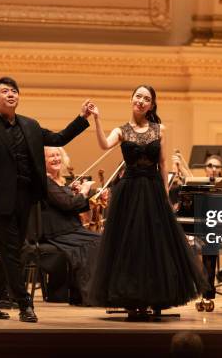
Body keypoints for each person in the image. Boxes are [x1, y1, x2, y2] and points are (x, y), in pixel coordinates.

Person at [0, 76, 92, 323]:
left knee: (12, 251)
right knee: (13, 252)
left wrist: (82, 119)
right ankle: (24, 303)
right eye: (5, 91)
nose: (11, 94)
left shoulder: (30, 125)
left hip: (26, 199)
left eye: (14, 91)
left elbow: (58, 139)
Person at [87, 84, 207, 317]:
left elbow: (162, 164)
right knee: (130, 245)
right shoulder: (121, 131)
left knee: (156, 246)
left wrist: (164, 193)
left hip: (152, 191)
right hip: (129, 191)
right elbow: (103, 144)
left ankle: (156, 296)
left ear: (151, 105)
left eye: (146, 99)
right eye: (138, 96)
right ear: (131, 99)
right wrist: (97, 120)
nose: (141, 101)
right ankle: (132, 298)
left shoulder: (158, 129)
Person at [41, 146, 100, 305]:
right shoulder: (44, 181)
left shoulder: (60, 181)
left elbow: (73, 205)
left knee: (100, 239)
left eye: (57, 155)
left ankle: (86, 293)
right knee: (96, 242)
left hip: (69, 228)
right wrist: (83, 192)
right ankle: (87, 294)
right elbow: (67, 205)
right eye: (51, 156)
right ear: (42, 161)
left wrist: (77, 193)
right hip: (58, 232)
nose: (56, 158)